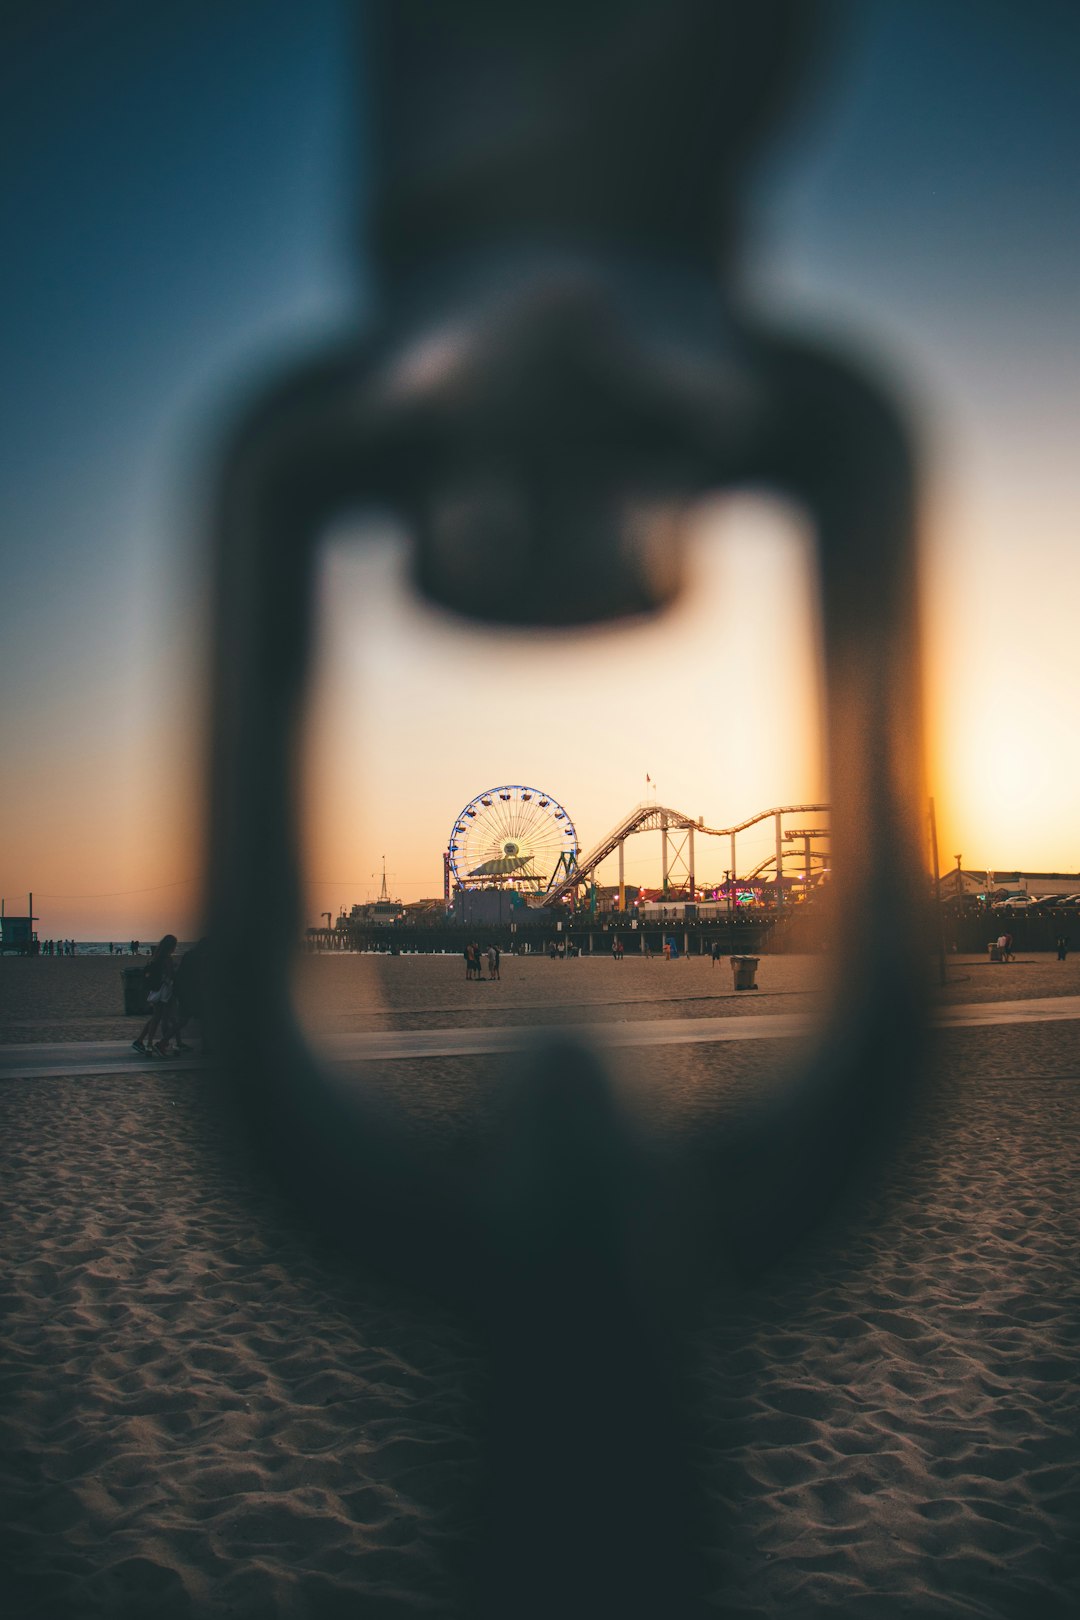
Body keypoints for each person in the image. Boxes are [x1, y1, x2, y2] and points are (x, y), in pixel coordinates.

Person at [132, 934, 178, 1056]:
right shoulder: (167, 959)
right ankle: (150, 1044)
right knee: (161, 1018)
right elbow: (170, 975)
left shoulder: (157, 957)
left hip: (155, 989)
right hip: (163, 991)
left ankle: (143, 1041)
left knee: (156, 1017)